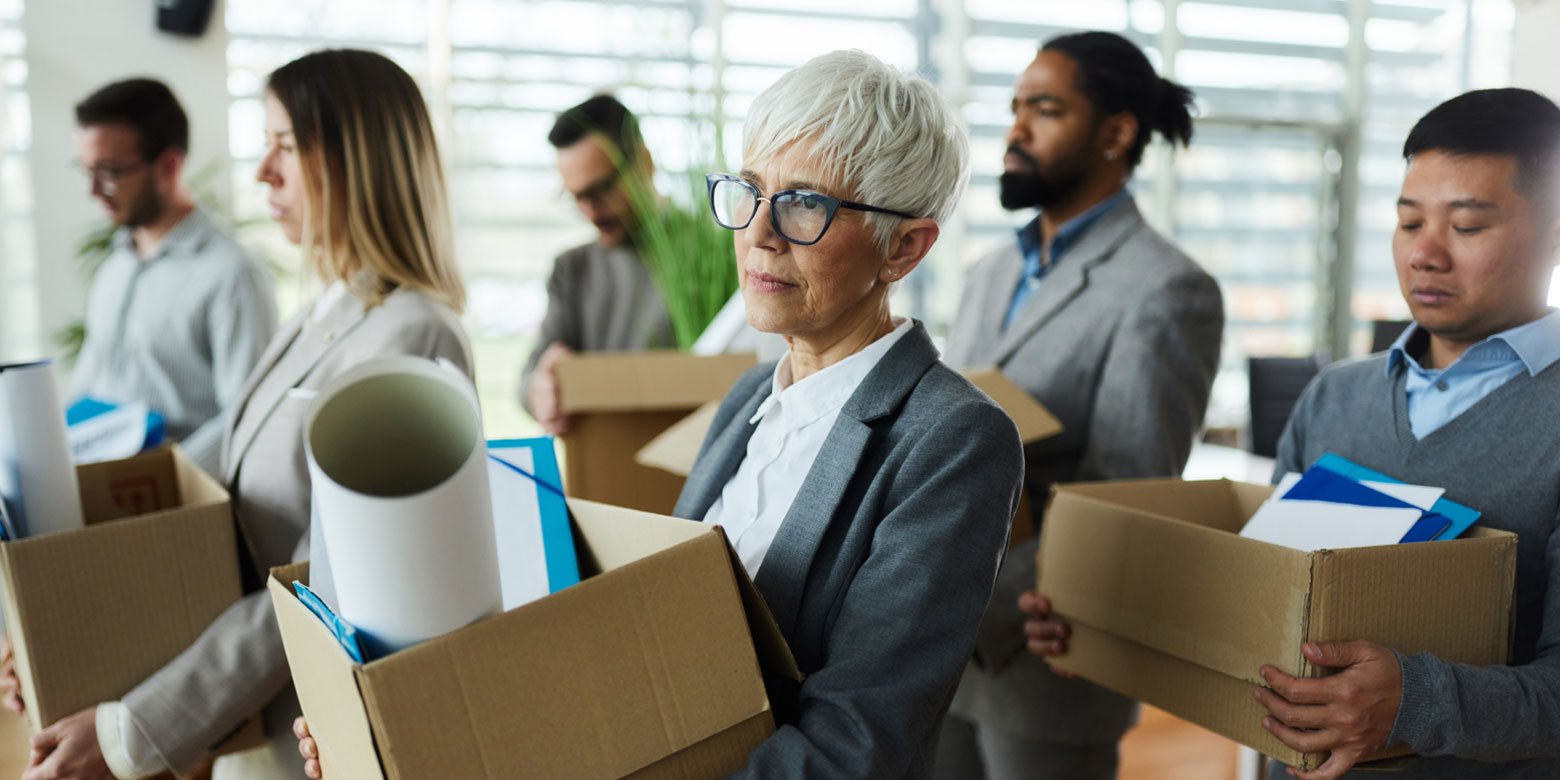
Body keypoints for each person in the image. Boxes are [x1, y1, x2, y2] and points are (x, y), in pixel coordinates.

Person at [296, 48, 1025, 779]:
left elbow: (857, 747)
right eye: (750, 190)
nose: (759, 233)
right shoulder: (746, 401)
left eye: (805, 204)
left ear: (904, 247)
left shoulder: (952, 439)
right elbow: (651, 642)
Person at [12, 49, 473, 780]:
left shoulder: (411, 334)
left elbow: (326, 576)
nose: (263, 172)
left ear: (354, 160)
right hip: (246, 720)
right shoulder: (324, 313)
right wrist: (48, 619)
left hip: (303, 732)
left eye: (285, 145)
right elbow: (203, 478)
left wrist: (136, 731)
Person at [1251, 88, 1560, 780]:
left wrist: (1412, 701)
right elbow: (1268, 602)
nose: (1425, 254)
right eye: (1407, 221)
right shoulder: (1334, 394)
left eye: (1468, 226)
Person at [941, 31, 1225, 780]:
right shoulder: (987, 273)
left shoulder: (1165, 289)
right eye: (1013, 109)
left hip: (1042, 655)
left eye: (1045, 109)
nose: (1016, 130)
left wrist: (962, 591)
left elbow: (1122, 495)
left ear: (1116, 133)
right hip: (937, 651)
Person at [70, 78, 277, 475]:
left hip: (168, 508)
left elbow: (247, 416)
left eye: (110, 172)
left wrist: (166, 482)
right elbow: (89, 387)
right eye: (87, 171)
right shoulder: (115, 266)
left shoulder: (232, 274)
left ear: (168, 165)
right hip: (99, 495)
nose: (94, 191)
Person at [519, 95, 676, 434]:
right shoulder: (571, 269)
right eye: (576, 197)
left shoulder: (715, 259)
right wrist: (540, 389)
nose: (591, 212)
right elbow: (529, 379)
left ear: (644, 163)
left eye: (602, 189)